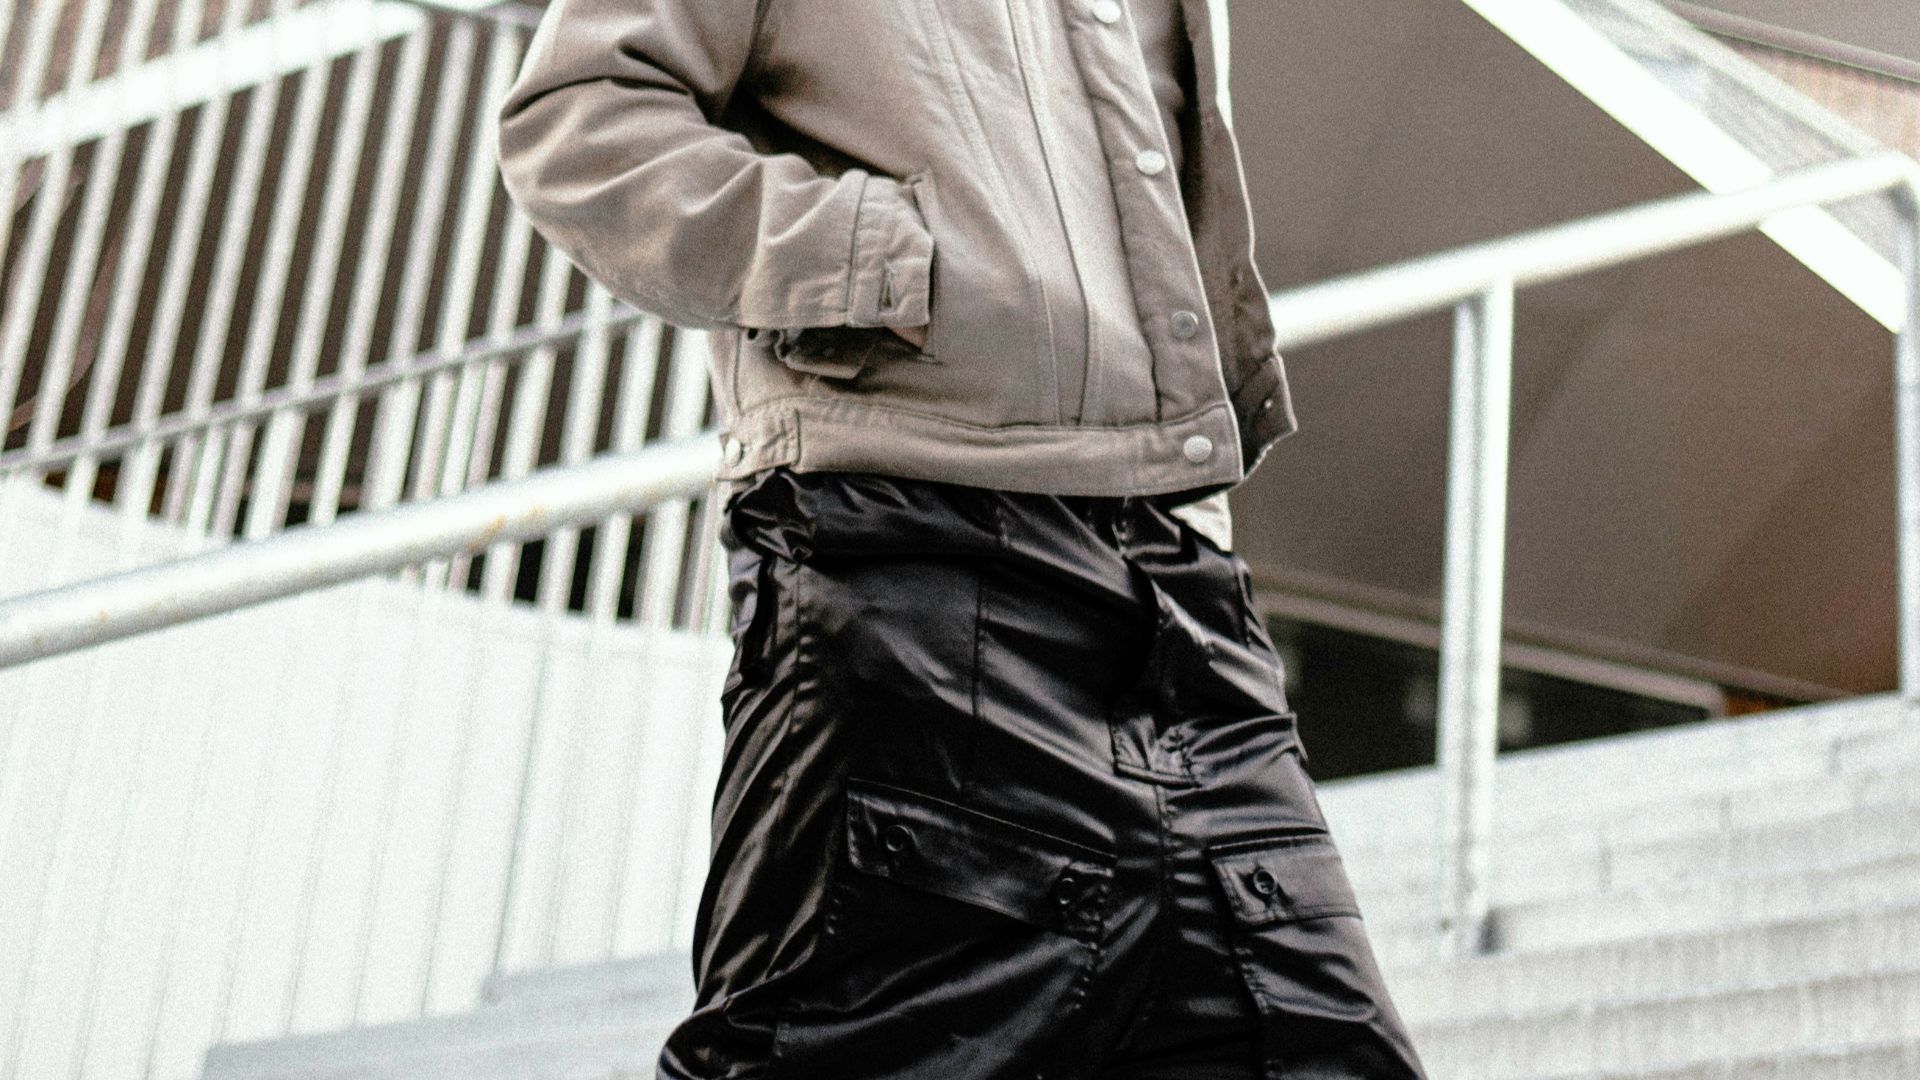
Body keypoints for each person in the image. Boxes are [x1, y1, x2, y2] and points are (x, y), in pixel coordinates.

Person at [496, 0, 1428, 1076]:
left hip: (1175, 585)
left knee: (1328, 1051)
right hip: (911, 561)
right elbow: (577, 121)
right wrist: (868, 258)